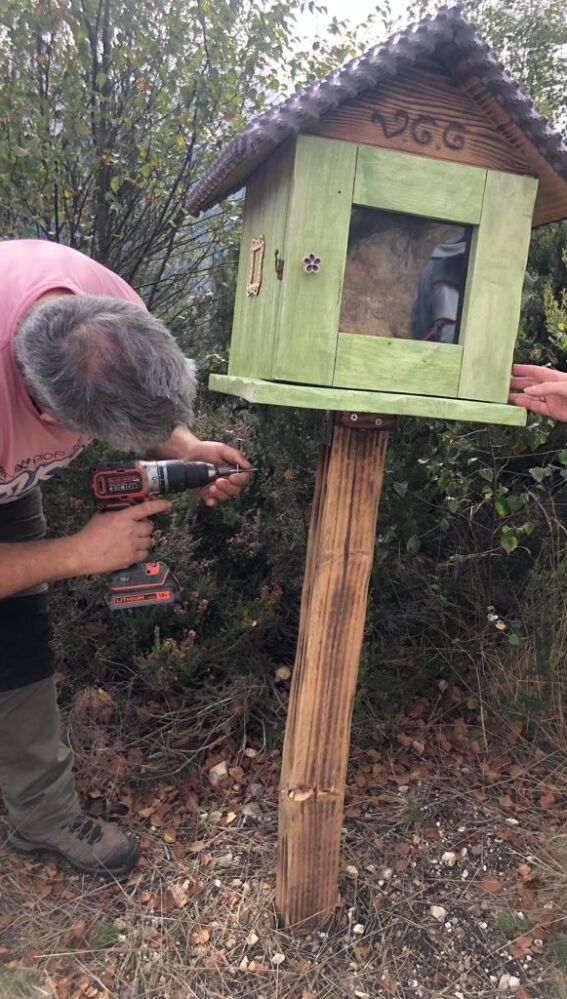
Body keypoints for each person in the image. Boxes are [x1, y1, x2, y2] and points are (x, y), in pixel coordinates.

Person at [0, 239, 251, 876]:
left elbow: (134, 396)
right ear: (51, 411)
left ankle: (42, 816)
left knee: (17, 639)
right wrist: (78, 552)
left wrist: (185, 446)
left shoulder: (107, 306)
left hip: (10, 480)